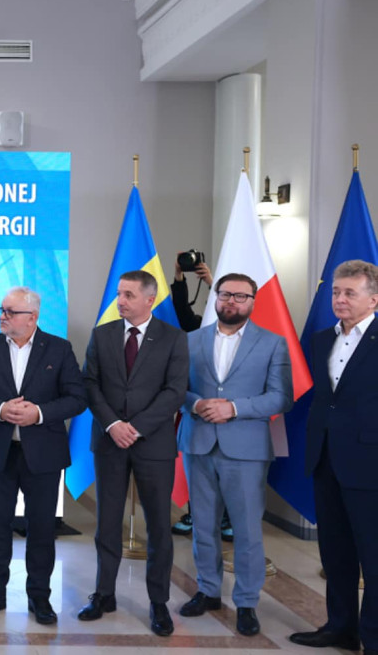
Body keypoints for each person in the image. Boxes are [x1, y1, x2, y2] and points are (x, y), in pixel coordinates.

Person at [0, 287, 86, 625]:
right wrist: (0, 409)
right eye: (1, 310)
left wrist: (39, 414)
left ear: (32, 317)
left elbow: (77, 398)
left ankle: (39, 595)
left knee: (42, 527)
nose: (2, 317)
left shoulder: (58, 348)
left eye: (10, 312)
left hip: (44, 454)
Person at [177, 273, 292, 636]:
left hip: (246, 450)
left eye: (241, 296)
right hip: (198, 442)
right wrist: (196, 404)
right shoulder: (190, 340)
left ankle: (246, 602)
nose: (231, 301)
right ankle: (208, 591)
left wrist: (234, 408)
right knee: (203, 525)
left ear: (253, 302)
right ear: (215, 297)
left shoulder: (272, 343)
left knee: (246, 530)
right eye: (225, 294)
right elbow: (174, 388)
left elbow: (281, 397)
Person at [76, 270, 188, 637]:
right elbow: (90, 383)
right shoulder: (102, 334)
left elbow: (175, 392)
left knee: (159, 525)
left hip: (153, 443)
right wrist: (113, 424)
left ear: (149, 299)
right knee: (107, 522)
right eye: (119, 294)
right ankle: (104, 594)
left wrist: (136, 427)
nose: (120, 301)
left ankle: (158, 601)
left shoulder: (173, 338)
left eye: (128, 295)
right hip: (109, 440)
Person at [290, 260, 378, 653]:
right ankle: (341, 628)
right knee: (336, 553)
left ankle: (373, 637)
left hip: (369, 463)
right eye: (336, 292)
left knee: (373, 558)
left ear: (373, 299)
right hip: (325, 459)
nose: (340, 299)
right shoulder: (322, 338)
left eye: (349, 293)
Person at [169, 256, 234, 541]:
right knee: (195, 466)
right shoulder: (197, 330)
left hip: (231, 411)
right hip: (197, 408)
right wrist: (179, 278)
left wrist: (211, 283)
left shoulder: (241, 333)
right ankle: (195, 514)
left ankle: (228, 518)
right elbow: (182, 313)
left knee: (228, 468)